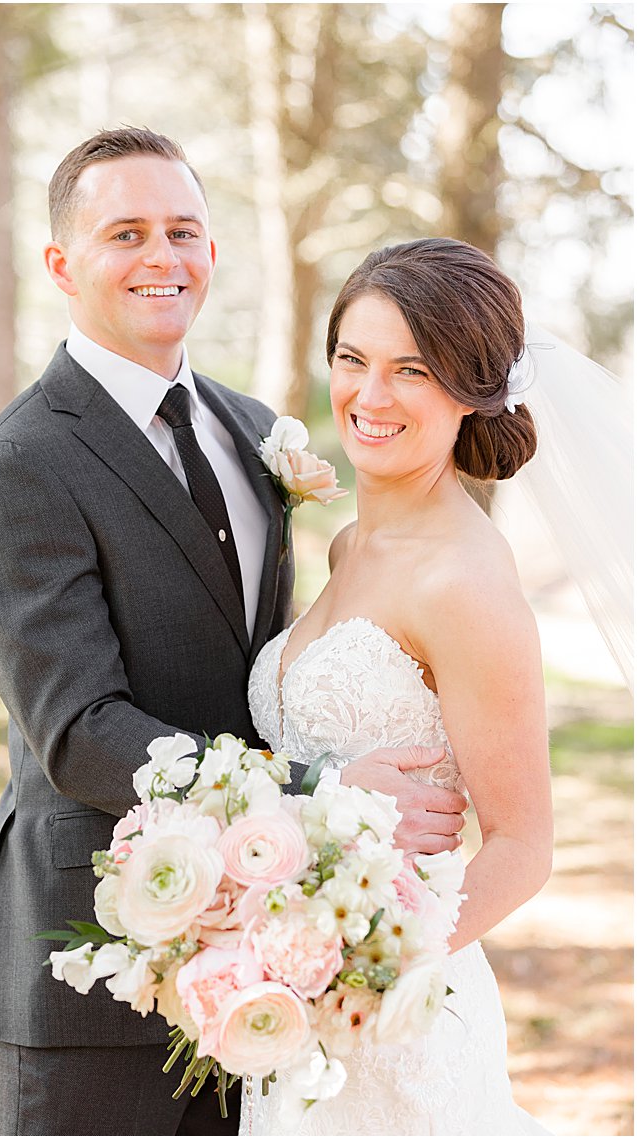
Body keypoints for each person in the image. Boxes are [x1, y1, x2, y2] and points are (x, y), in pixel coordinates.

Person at [0, 128, 467, 1135]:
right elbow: (79, 729)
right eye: (125, 233)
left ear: (212, 253)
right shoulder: (15, 465)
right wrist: (321, 800)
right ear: (60, 264)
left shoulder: (248, 427)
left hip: (272, 955)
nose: (161, 258)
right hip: (94, 952)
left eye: (182, 230)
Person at [241, 237, 553, 1134]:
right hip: (294, 1016)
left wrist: (365, 968)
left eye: (410, 370)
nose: (370, 398)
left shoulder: (463, 581)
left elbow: (524, 844)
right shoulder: (347, 544)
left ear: (469, 389)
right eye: (353, 359)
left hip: (399, 1022)